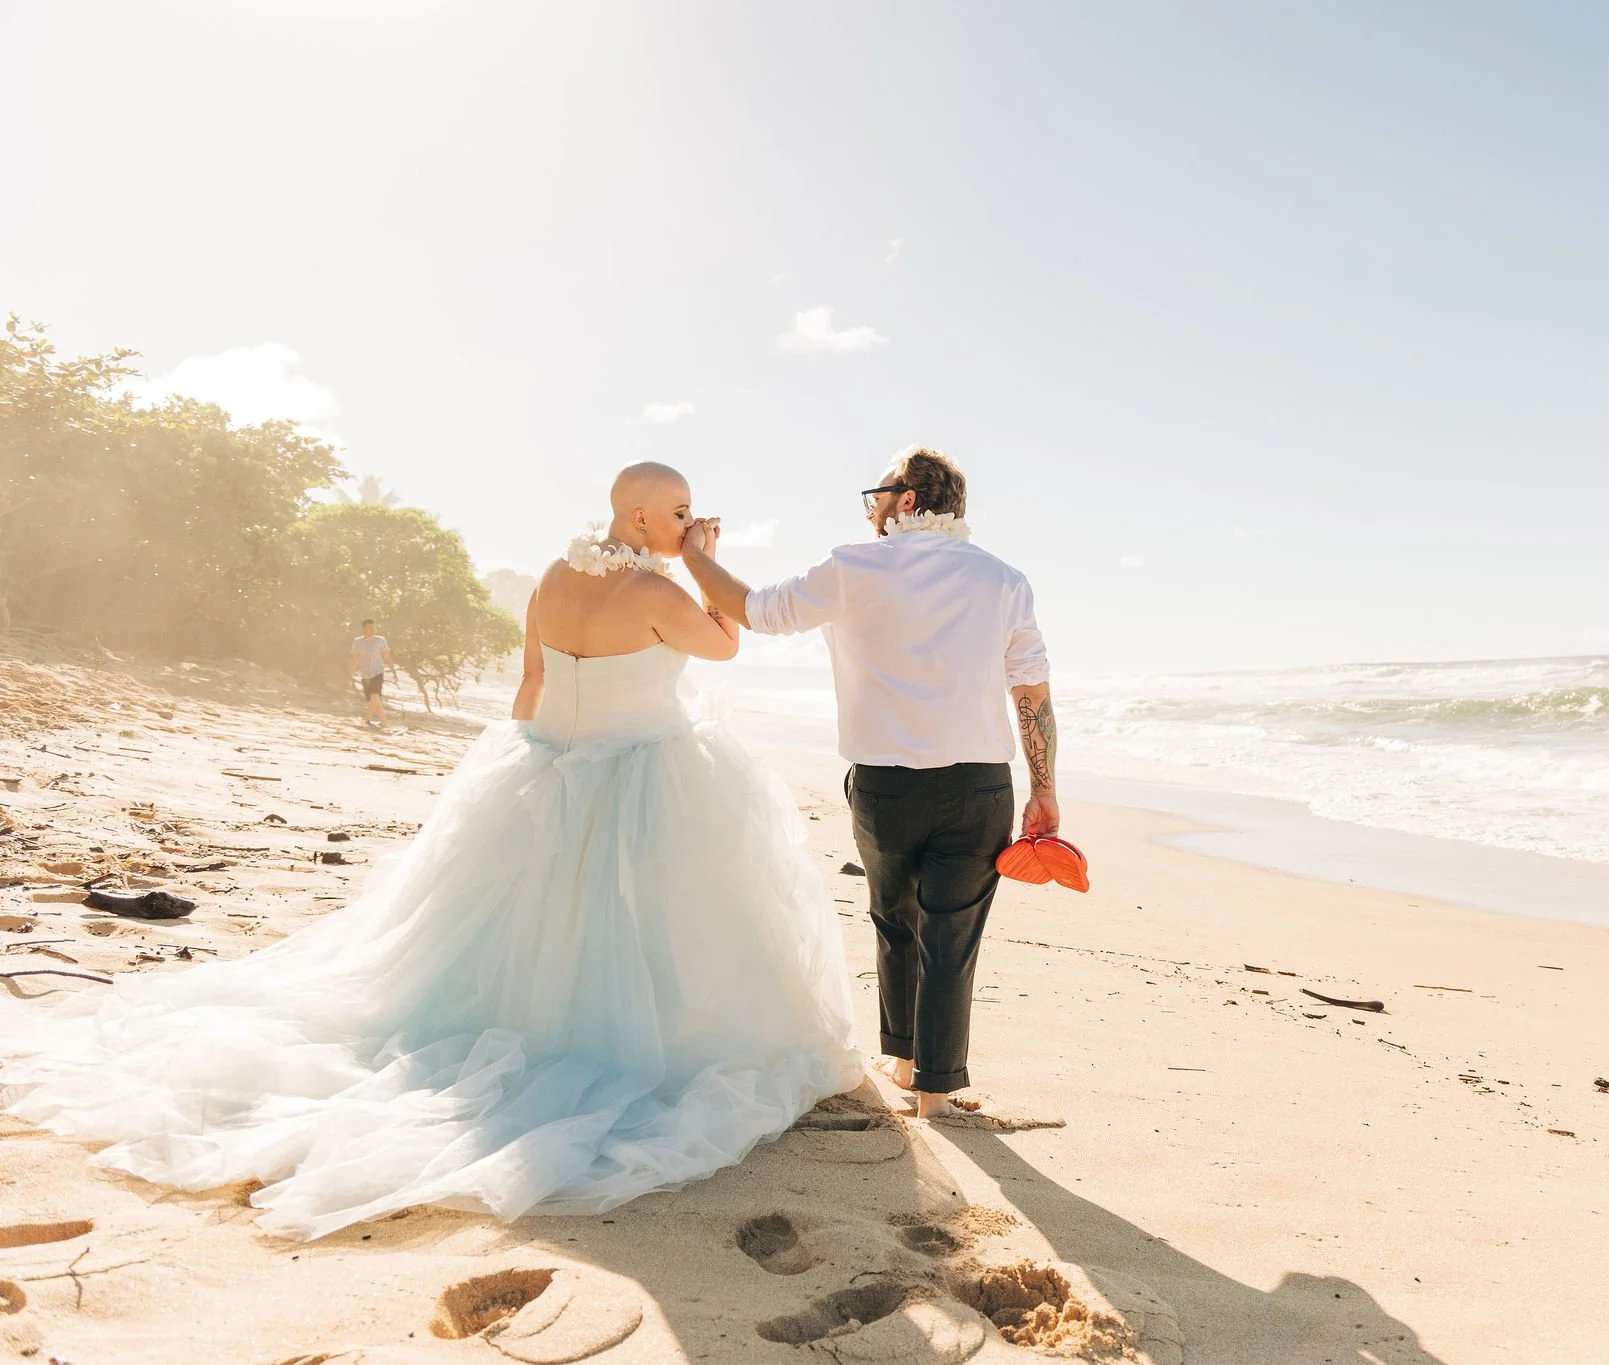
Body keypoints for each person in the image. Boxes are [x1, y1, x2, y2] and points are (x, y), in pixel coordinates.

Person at [0, 462, 861, 1240]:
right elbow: (725, 641)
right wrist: (705, 562)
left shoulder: (555, 579)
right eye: (677, 511)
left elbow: (532, 680)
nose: (688, 519)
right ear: (637, 519)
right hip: (644, 772)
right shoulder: (660, 594)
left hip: (549, 760)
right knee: (644, 920)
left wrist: (538, 768)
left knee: (527, 917)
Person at [682, 445, 1057, 1121]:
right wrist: (1045, 787)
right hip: (978, 786)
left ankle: (905, 1061)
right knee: (952, 937)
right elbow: (1030, 689)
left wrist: (693, 555)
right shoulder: (1004, 579)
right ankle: (934, 1094)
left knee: (894, 920)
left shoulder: (852, 566)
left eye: (876, 494)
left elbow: (753, 608)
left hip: (885, 787)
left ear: (907, 498)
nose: (872, 509)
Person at [348, 618, 395, 726]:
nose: (372, 630)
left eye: (374, 627)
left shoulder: (380, 640)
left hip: (377, 672)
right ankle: (384, 722)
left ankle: (366, 720)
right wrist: (350, 673)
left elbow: (386, 655)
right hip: (365, 674)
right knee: (374, 701)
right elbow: (355, 658)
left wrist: (392, 670)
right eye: (369, 628)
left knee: (375, 696)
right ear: (363, 629)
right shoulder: (357, 641)